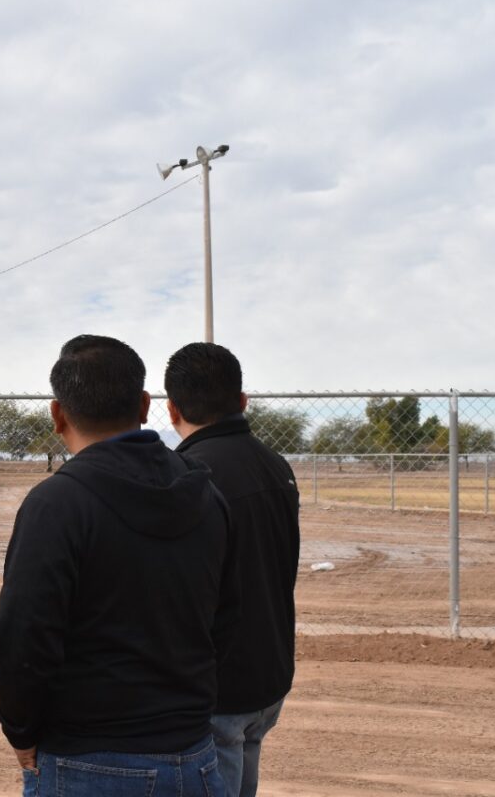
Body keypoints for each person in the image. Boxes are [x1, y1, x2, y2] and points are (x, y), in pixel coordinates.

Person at [0, 334, 238, 797]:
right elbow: (227, 618)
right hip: (196, 760)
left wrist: (20, 729)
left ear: (57, 414)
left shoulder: (57, 504)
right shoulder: (207, 496)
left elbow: (24, 633)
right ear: (145, 405)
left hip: (86, 763)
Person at [165, 342, 300, 797]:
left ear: (171, 409)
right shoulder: (276, 464)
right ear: (242, 401)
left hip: (219, 688)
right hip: (268, 674)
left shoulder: (188, 475)